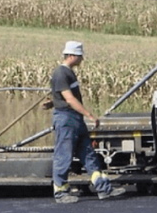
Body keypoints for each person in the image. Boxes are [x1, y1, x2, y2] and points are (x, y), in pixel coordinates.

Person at [50, 41, 126, 204]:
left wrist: (53, 102)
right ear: (72, 56)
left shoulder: (68, 73)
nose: (82, 59)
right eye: (80, 56)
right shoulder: (61, 73)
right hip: (66, 119)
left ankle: (103, 188)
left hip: (75, 119)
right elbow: (69, 99)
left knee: (88, 154)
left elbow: (63, 96)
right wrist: (89, 115)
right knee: (64, 156)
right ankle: (61, 192)